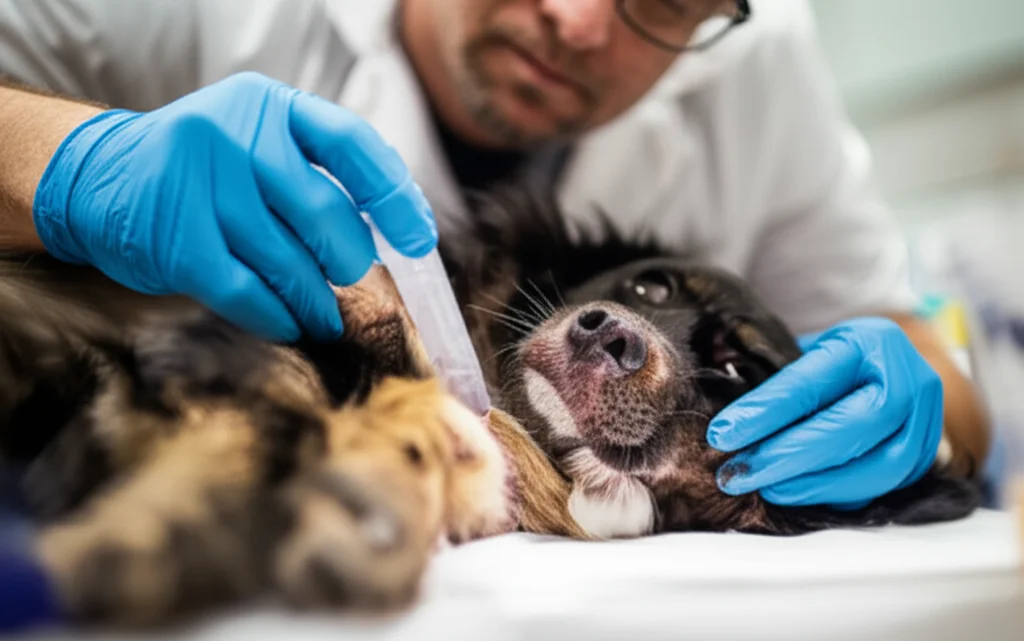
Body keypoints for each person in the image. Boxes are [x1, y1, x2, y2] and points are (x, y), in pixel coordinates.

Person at [0, 0, 991, 512]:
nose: (575, 22)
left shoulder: (761, 64)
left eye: (661, 1)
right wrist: (68, 168)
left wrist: (923, 414)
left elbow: (931, 366)